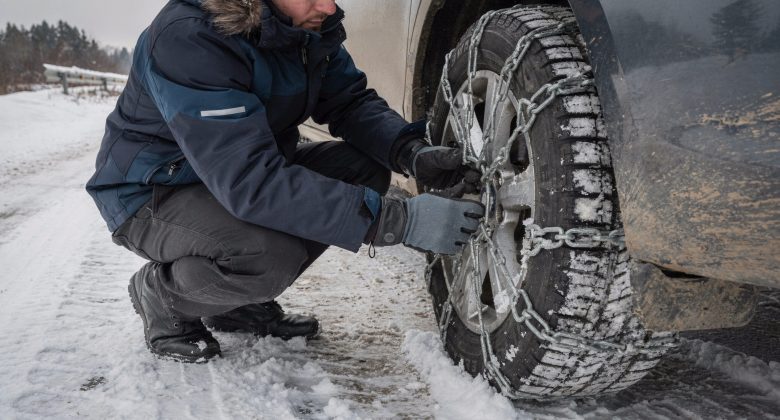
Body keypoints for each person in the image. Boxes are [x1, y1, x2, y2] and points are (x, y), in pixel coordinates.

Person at [86, 0, 483, 363]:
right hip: (152, 193)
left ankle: (231, 305)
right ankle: (162, 296)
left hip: (232, 176)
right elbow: (249, 181)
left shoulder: (303, 27)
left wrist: (408, 152)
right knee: (267, 257)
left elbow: (349, 102)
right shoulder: (190, 37)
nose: (327, 7)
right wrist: (397, 221)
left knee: (363, 168)